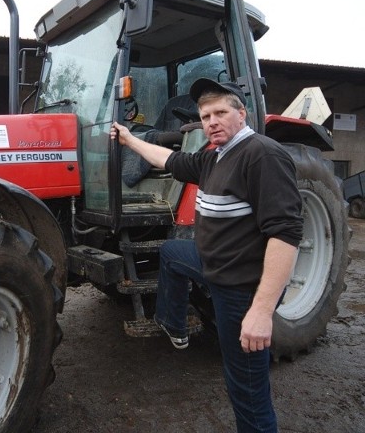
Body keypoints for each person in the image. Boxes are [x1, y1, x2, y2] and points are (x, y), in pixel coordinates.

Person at [110, 78, 303, 433]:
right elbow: (168, 159)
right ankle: (173, 324)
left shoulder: (262, 155)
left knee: (246, 389)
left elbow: (285, 234)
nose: (211, 121)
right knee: (171, 251)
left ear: (241, 113)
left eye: (220, 112)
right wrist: (129, 139)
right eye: (205, 115)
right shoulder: (214, 157)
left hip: (240, 291)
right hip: (211, 264)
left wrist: (260, 313)